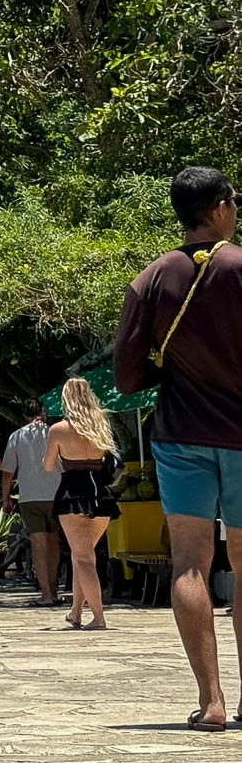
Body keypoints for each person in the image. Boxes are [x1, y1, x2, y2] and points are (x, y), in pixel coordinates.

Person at [114, 166, 242, 732]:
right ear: (217, 208)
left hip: (181, 433)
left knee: (190, 563)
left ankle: (211, 702)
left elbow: (126, 376)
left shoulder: (151, 278)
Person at [44, 377, 121, 631]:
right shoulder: (101, 428)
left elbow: (48, 464)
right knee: (83, 555)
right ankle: (76, 612)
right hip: (101, 494)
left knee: (84, 557)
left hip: (73, 494)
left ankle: (98, 617)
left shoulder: (58, 429)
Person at [1, 399, 63, 607]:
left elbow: (8, 471)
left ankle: (45, 592)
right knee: (54, 542)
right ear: (43, 413)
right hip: (56, 493)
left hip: (30, 496)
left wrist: (5, 497)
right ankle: (54, 590)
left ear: (25, 416)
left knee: (38, 543)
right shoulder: (54, 432)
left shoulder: (17, 437)